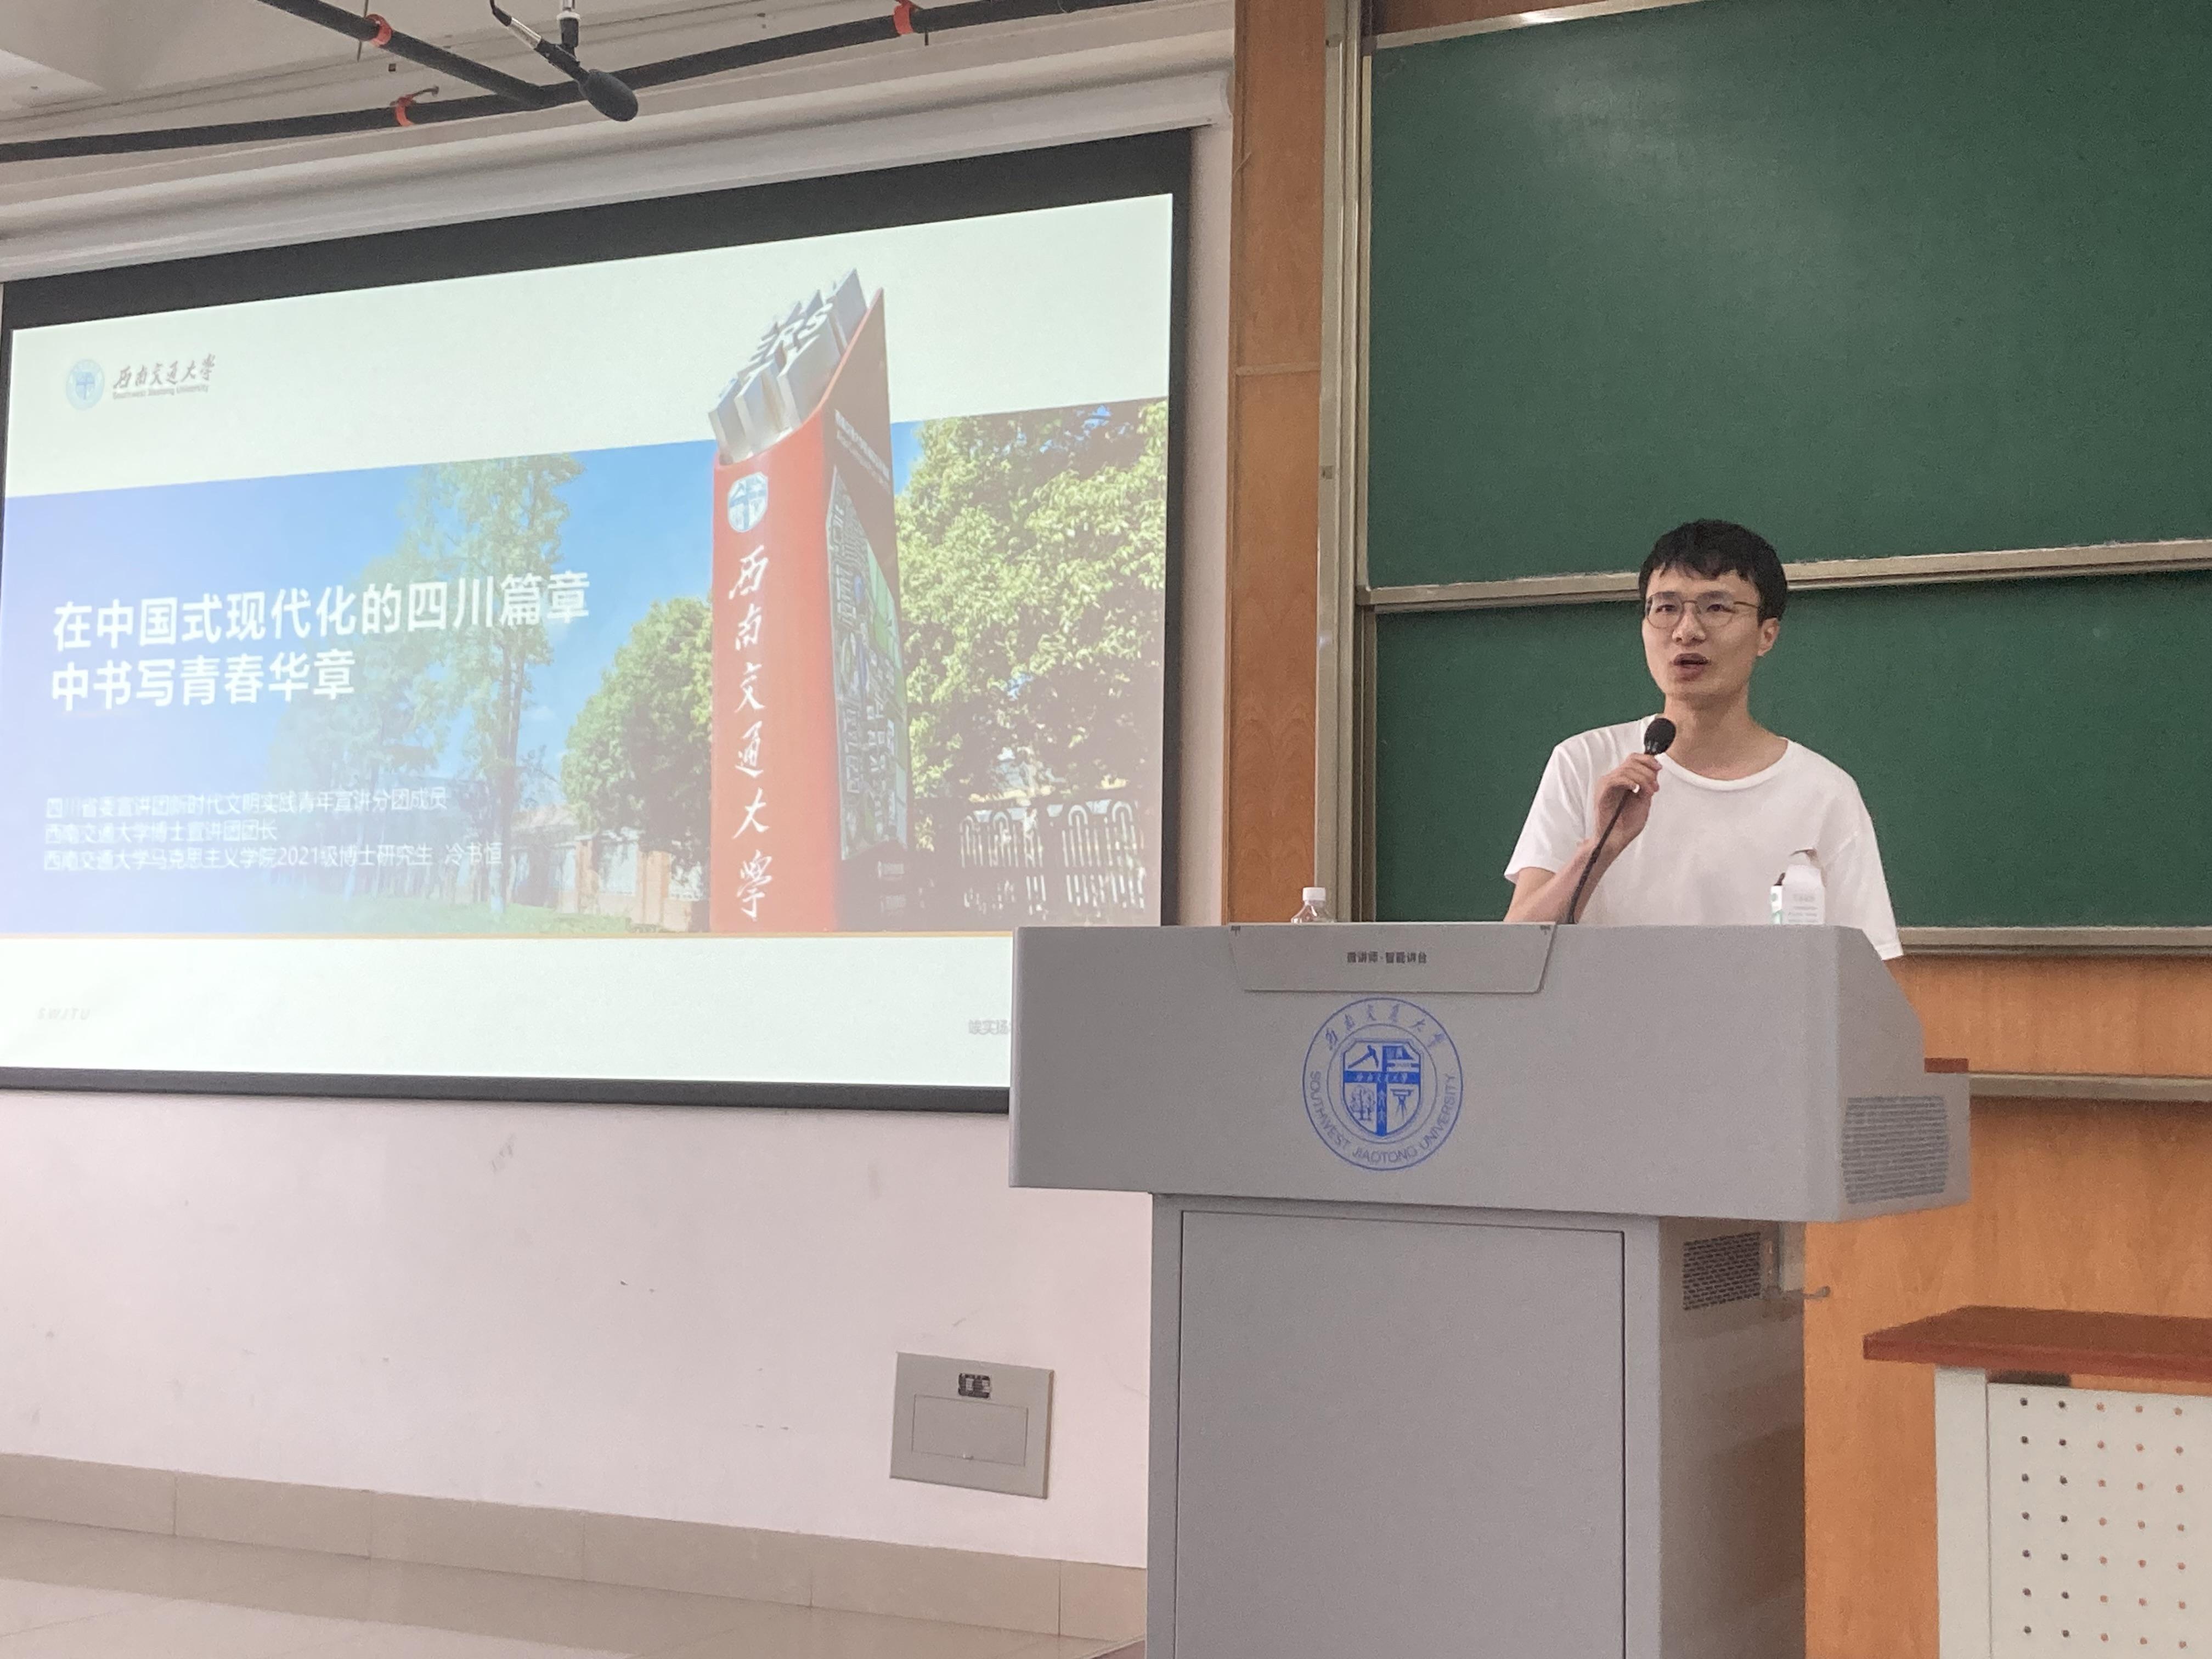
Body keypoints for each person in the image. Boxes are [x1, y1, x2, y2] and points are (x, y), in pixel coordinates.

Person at [1502, 519, 1901, 960]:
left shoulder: (1824, 793)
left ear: (1767, 634)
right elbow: (1512, 955)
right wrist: (1600, 849)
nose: (1686, 630)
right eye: (1665, 608)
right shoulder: (1585, 762)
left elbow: (1871, 973)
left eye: (1716, 607)